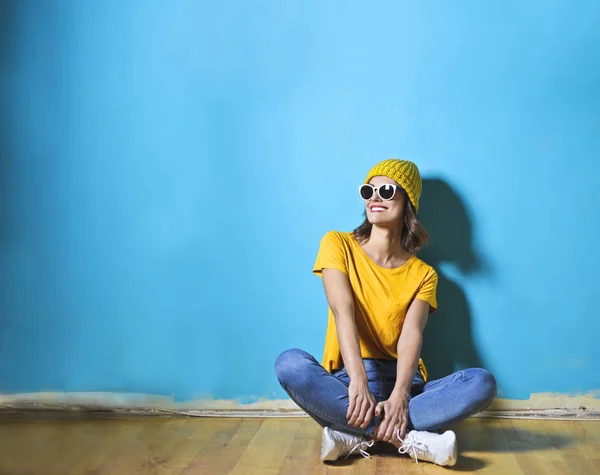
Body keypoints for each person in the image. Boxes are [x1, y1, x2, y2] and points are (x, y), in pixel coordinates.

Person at [274, 159, 497, 467]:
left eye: (387, 190)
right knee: (290, 364)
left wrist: (401, 396)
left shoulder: (424, 275)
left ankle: (355, 436)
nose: (374, 198)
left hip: (407, 385)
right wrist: (358, 383)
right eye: (369, 190)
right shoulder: (337, 244)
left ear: (408, 202)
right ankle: (411, 440)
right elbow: (343, 312)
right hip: (348, 382)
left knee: (482, 382)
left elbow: (411, 335)